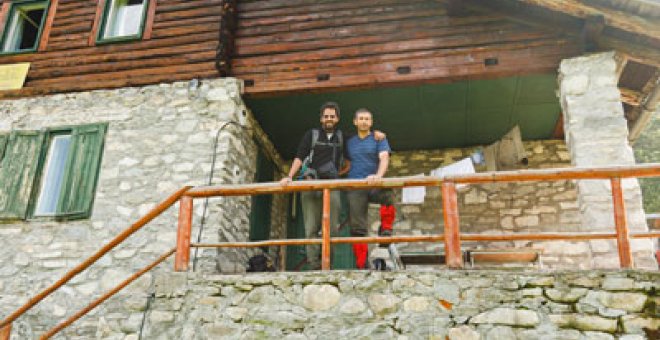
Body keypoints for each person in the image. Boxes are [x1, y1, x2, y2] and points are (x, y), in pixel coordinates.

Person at [280, 102, 386, 269]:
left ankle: (327, 263)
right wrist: (289, 176)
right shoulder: (312, 135)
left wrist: (376, 134)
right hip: (310, 184)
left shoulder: (343, 137)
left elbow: (362, 134)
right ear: (321, 118)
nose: (329, 119)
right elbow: (299, 156)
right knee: (311, 228)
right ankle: (314, 265)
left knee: (333, 228)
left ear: (337, 118)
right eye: (326, 116)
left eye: (332, 116)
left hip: (332, 185)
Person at [345, 108, 396, 269]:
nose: (364, 121)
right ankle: (362, 264)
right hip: (355, 185)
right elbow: (343, 161)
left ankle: (386, 231)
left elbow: (384, 158)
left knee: (389, 193)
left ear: (371, 122)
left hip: (373, 182)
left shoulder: (379, 139)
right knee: (357, 227)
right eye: (361, 118)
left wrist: (378, 177)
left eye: (367, 119)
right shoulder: (349, 141)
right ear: (355, 122)